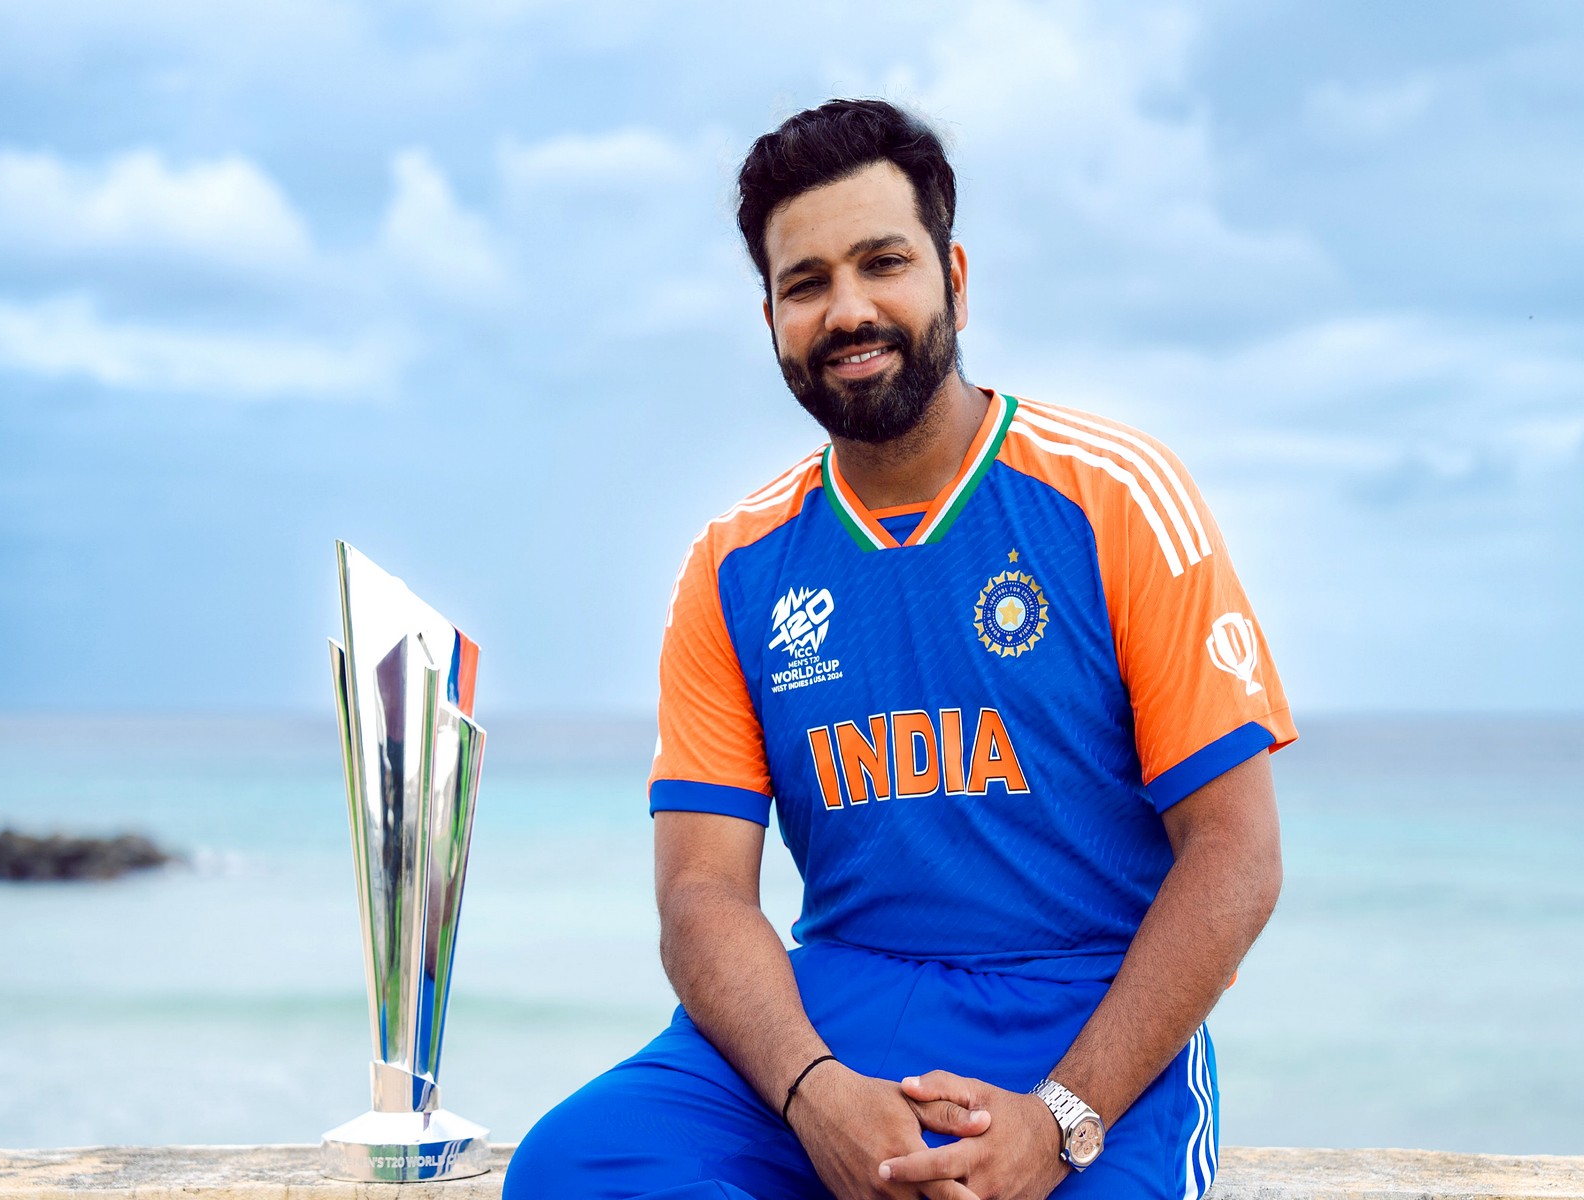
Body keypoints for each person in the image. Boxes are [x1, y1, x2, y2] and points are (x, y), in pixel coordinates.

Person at [505, 98, 1296, 1200]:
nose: (849, 310)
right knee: (572, 1168)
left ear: (954, 279)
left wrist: (1059, 1120)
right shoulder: (736, 563)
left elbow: (1236, 852)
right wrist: (813, 1090)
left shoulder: (1113, 495)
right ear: (772, 318)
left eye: (884, 263)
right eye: (806, 283)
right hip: (834, 1011)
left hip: (1078, 1017)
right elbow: (700, 894)